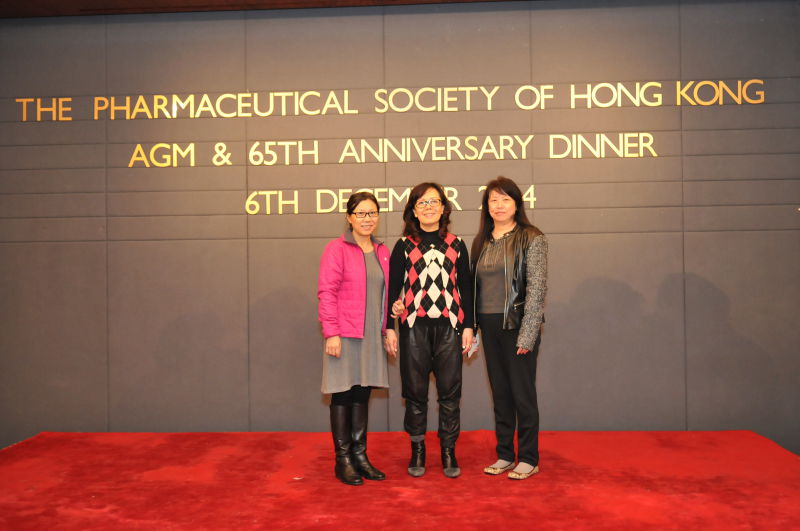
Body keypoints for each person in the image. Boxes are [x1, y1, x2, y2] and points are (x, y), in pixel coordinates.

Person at [385, 182, 474, 478]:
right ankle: (418, 449)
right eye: (422, 203)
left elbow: (466, 289)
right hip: (413, 328)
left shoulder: (457, 244)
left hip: (450, 327)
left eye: (434, 202)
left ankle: (448, 450)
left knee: (450, 394)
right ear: (413, 210)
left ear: (444, 208)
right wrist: (390, 324)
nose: (428, 207)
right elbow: (393, 290)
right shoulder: (404, 245)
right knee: (415, 393)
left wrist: (469, 326)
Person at [471, 176, 548, 480]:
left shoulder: (532, 237)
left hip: (517, 326)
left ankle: (529, 458)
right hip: (488, 326)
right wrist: (473, 328)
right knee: (500, 394)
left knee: (521, 394)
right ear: (486, 206)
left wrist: (528, 334)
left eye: (505, 199)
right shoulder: (481, 241)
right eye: (493, 200)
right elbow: (474, 288)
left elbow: (537, 290)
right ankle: (505, 454)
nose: (499, 205)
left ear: (517, 204)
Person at [318, 191, 394, 486]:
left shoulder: (382, 251)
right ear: (349, 217)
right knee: (343, 394)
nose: (367, 219)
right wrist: (332, 332)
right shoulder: (336, 249)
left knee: (362, 393)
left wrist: (388, 327)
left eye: (372, 213)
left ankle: (360, 456)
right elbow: (326, 292)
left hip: (372, 335)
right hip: (344, 335)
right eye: (361, 213)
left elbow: (387, 294)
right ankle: (343, 460)